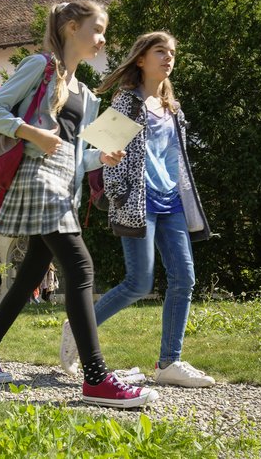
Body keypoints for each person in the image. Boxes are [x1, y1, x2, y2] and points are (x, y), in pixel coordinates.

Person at [0, 1, 158, 409]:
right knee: (81, 267)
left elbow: (75, 156)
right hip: (38, 182)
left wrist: (100, 157)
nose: (103, 38)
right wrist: (32, 134)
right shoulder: (40, 66)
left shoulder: (87, 94)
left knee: (31, 274)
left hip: (62, 186)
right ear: (72, 28)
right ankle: (95, 378)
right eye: (98, 28)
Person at [60, 31, 214, 388]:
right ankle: (79, 326)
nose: (169, 57)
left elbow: (176, 159)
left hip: (172, 202)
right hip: (136, 201)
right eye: (161, 51)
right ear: (141, 59)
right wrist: (117, 193)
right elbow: (102, 153)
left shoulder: (173, 109)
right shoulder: (126, 102)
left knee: (184, 278)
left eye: (173, 52)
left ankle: (168, 362)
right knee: (139, 281)